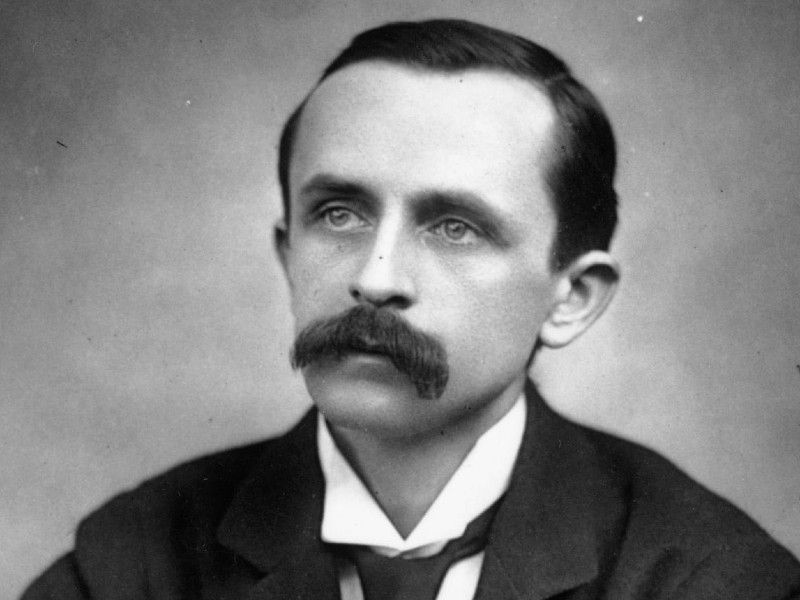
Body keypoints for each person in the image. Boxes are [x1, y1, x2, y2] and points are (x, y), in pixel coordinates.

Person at [22, 18, 800, 600]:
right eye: (338, 214)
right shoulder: (131, 564)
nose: (376, 277)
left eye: (455, 227)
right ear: (287, 254)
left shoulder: (709, 578)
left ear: (571, 298)